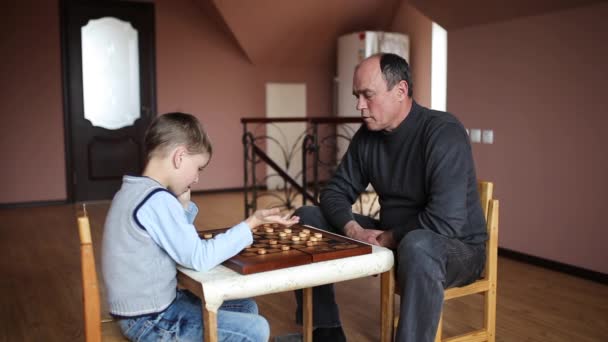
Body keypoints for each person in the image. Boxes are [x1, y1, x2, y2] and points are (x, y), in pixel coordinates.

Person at [292, 53, 487, 342]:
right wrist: (354, 229)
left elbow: (446, 221)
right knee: (306, 218)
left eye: (368, 95)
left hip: (456, 248)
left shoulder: (443, 131)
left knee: (418, 245)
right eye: (357, 95)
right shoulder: (368, 136)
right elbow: (334, 192)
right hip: (394, 237)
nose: (359, 105)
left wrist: (387, 239)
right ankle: (326, 332)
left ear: (401, 91)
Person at [101, 112, 299, 342]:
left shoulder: (132, 191)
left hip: (140, 312)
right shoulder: (157, 199)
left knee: (245, 307)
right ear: (180, 157)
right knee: (257, 330)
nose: (196, 179)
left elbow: (175, 244)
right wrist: (251, 223)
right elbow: (198, 258)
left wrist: (183, 207)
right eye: (198, 168)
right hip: (151, 320)